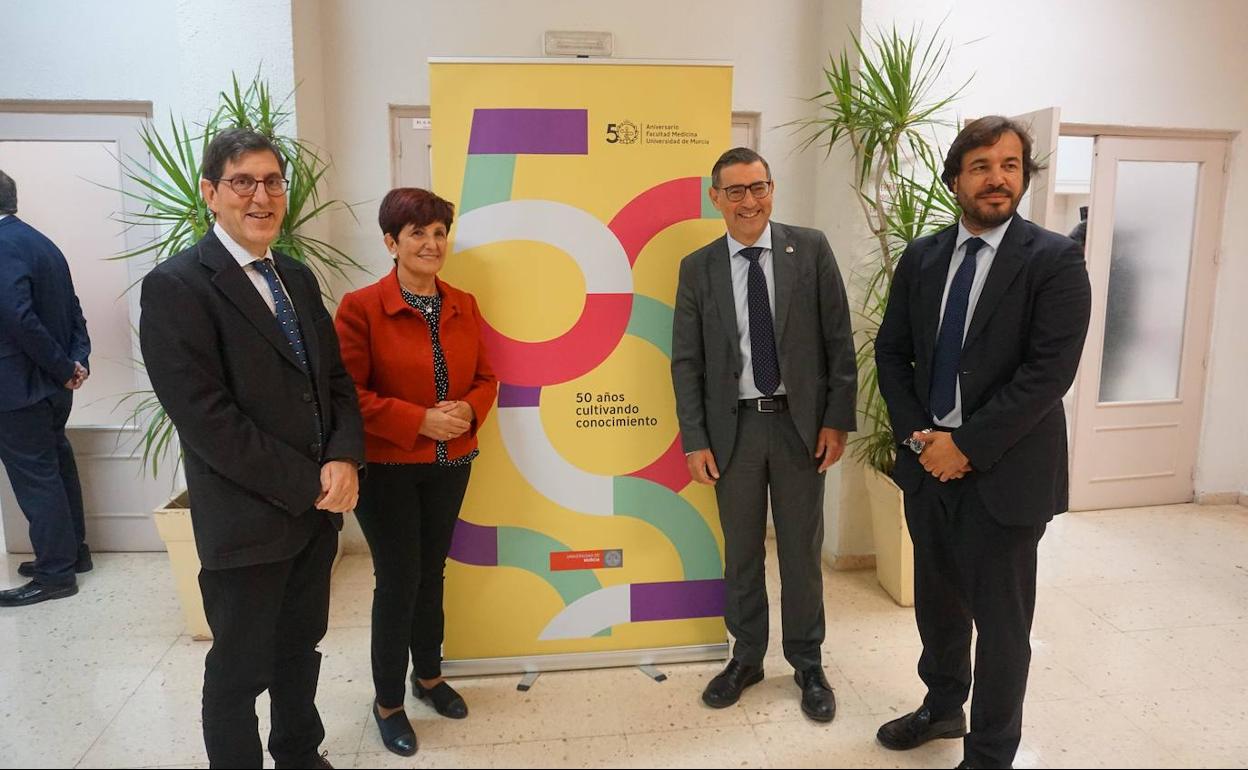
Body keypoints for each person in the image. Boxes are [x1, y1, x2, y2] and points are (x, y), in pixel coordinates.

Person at [139, 128, 364, 769]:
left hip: (314, 515)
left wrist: (345, 457)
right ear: (211, 193)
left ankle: (299, 753)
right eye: (243, 182)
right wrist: (309, 483)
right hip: (246, 520)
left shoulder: (294, 275)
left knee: (301, 650)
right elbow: (206, 419)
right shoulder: (178, 286)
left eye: (272, 181)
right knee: (239, 672)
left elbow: (335, 382)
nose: (261, 196)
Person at [874, 116, 1091, 769]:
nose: (997, 177)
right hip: (927, 470)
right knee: (939, 609)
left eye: (1010, 164)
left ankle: (991, 753)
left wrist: (963, 446)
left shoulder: (1054, 260)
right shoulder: (922, 258)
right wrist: (922, 442)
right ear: (955, 179)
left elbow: (1047, 374)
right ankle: (942, 708)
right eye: (981, 165)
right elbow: (893, 354)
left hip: (1006, 475)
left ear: (1023, 175)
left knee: (1001, 627)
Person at [671, 147, 857, 722]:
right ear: (716, 199)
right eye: (735, 191)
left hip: (802, 429)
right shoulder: (698, 267)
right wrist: (695, 439)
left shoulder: (812, 249)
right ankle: (747, 656)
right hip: (736, 430)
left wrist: (836, 419)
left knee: (802, 551)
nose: (749, 201)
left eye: (758, 187)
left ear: (771, 189)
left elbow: (838, 343)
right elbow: (686, 361)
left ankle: (807, 662)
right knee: (742, 551)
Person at [334, 188, 497, 756]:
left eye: (438, 233)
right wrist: (418, 420)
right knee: (399, 581)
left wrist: (470, 409)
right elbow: (347, 395)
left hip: (452, 462)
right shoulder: (360, 307)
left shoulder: (464, 303)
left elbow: (486, 376)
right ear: (390, 242)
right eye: (417, 234)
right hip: (388, 467)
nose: (431, 244)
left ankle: (428, 677)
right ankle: (387, 703)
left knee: (432, 574)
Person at [0, 169, 92, 606]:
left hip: (19, 390)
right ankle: (73, 555)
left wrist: (61, 366)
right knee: (56, 464)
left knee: (37, 478)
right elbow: (73, 308)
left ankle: (55, 574)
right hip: (53, 388)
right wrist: (77, 362)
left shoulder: (2, 247)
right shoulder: (41, 242)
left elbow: (18, 319)